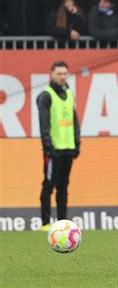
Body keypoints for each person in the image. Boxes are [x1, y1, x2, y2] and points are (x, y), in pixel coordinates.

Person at [36, 61, 80, 231]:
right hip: (53, 150)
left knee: (63, 186)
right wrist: (48, 146)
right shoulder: (46, 96)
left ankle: (63, 223)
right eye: (59, 73)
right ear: (52, 75)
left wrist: (76, 142)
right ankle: (45, 223)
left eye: (64, 74)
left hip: (68, 148)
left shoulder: (69, 94)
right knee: (49, 184)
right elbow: (44, 123)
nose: (62, 77)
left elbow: (74, 120)